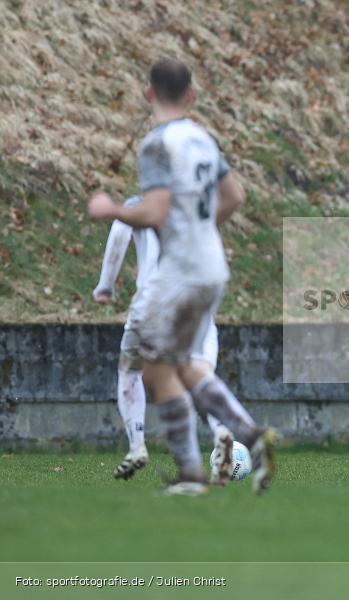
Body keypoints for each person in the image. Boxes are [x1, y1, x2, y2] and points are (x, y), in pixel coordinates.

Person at [88, 58, 275, 495]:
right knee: (181, 365)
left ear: (148, 94)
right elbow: (235, 195)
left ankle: (193, 473)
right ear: (190, 97)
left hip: (179, 272)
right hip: (212, 267)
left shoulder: (157, 144)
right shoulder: (203, 139)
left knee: (152, 368)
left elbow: (152, 212)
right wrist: (201, 231)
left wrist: (110, 209)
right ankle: (251, 437)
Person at [92, 201, 235, 484]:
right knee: (197, 375)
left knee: (129, 370)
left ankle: (137, 445)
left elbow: (119, 235)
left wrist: (105, 286)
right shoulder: (197, 208)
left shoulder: (140, 205)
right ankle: (220, 429)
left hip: (153, 303)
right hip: (195, 301)